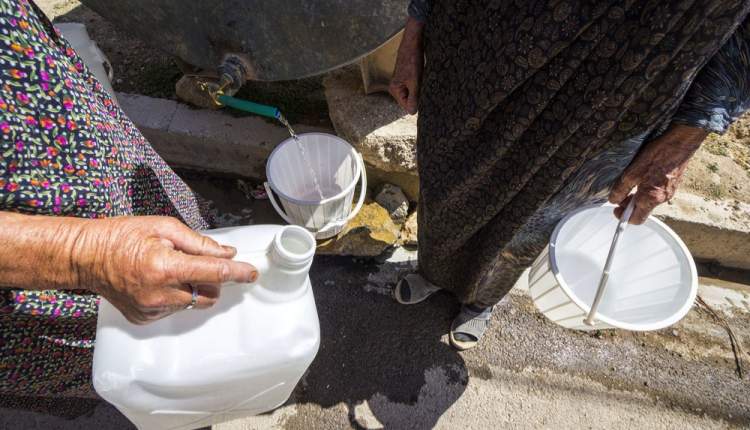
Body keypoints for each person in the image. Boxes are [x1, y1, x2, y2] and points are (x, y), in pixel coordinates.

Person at [389, 0, 750, 350]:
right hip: (483, 51)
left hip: (622, 101)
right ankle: (433, 272)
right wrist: (416, 25)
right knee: (448, 183)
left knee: (534, 223)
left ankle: (482, 300)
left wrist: (692, 131)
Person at [0, 0, 258, 398]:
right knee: (114, 361)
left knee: (177, 249)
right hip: (27, 276)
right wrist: (86, 255)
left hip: (61, 116)